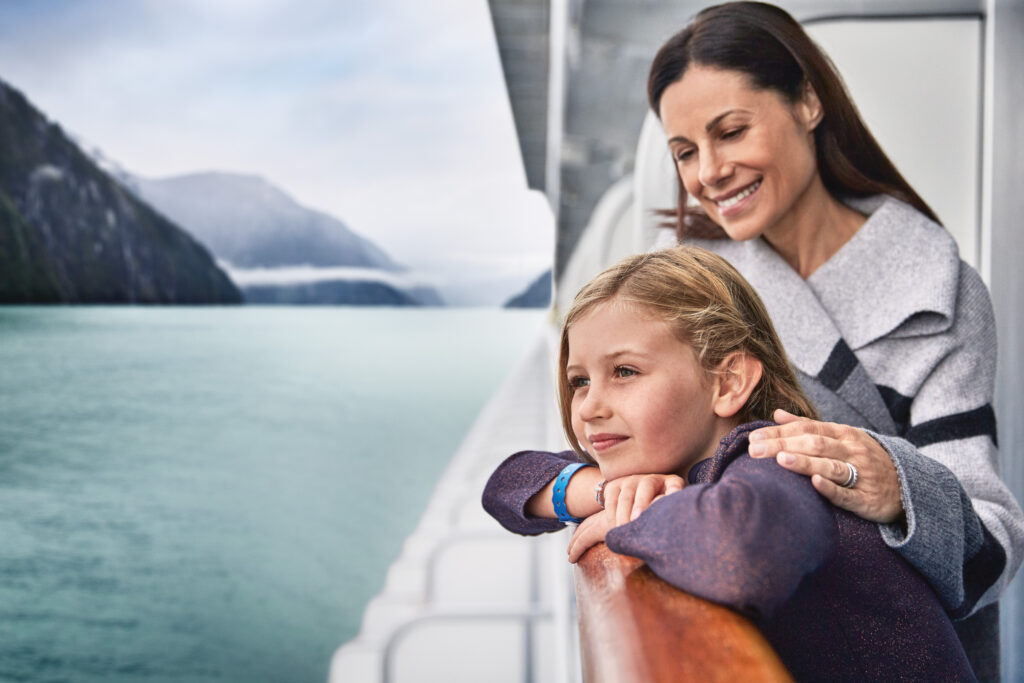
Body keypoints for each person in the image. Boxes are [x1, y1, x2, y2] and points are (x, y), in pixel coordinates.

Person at [481, 2, 1022, 678]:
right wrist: (601, 489)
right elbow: (530, 473)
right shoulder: (685, 290)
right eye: (684, 152)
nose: (708, 172)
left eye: (731, 132)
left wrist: (897, 485)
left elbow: (993, 539)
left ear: (808, 102)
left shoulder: (936, 293)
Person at [485, 245, 975, 681]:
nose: (590, 406)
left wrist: (636, 517)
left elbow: (742, 555)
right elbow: (505, 486)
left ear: (728, 382)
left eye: (625, 371)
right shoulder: (673, 451)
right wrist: (599, 491)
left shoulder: (775, 458)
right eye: (579, 381)